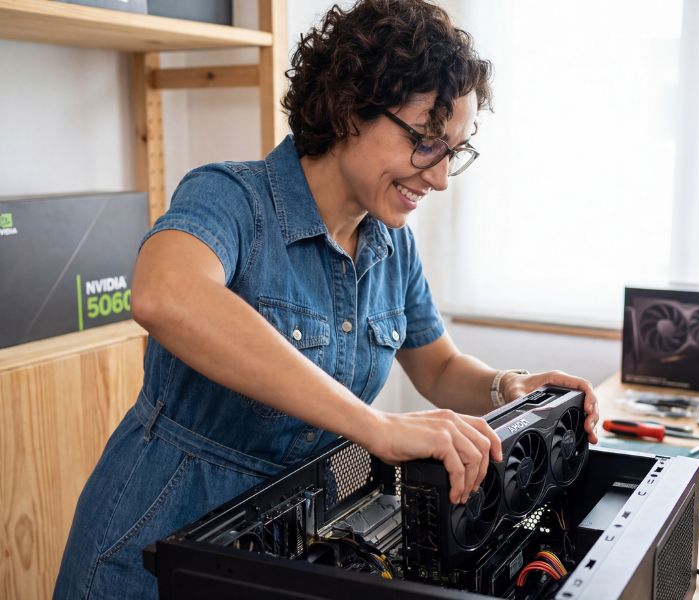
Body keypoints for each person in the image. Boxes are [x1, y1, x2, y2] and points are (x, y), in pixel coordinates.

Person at [54, 0, 599, 597]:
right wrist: (373, 425)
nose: (440, 177)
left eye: (454, 151)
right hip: (158, 545)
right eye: (424, 141)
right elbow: (165, 295)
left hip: (294, 551)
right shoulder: (231, 199)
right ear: (347, 110)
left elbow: (438, 366)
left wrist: (506, 387)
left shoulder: (394, 245)